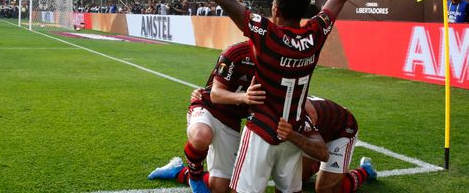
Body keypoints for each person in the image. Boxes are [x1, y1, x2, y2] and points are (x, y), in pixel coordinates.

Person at [159, 0, 368, 193]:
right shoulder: (316, 33)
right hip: (292, 132)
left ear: (275, 9)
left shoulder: (266, 34)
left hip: (261, 129)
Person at [151, 96, 377, 193]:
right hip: (300, 134)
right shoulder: (265, 102)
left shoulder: (298, 114)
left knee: (325, 189)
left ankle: (364, 171)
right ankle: (179, 170)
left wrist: (292, 137)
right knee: (228, 182)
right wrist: (203, 96)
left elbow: (322, 151)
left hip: (338, 130)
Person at [148, 41, 263, 193]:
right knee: (201, 135)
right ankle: (195, 177)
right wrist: (244, 98)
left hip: (231, 120)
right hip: (208, 106)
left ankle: (178, 171)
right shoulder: (235, 53)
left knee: (220, 188)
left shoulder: (276, 60)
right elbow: (215, 94)